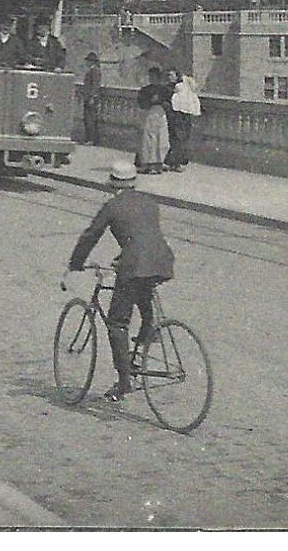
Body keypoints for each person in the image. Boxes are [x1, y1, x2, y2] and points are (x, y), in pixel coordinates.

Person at [65, 160, 176, 403]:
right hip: (162, 262)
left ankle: (125, 380)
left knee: (117, 322)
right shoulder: (149, 203)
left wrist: (74, 265)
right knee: (142, 293)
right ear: (134, 182)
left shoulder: (112, 206)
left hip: (135, 265)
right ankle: (149, 332)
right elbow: (142, 237)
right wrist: (122, 257)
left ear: (111, 184)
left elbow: (90, 236)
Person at [135, 67, 171, 174]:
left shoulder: (164, 90)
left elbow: (169, 103)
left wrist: (161, 102)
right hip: (149, 114)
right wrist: (150, 101)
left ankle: (159, 163)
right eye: (150, 76)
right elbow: (141, 103)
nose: (152, 78)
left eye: (154, 76)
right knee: (148, 139)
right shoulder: (145, 90)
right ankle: (147, 164)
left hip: (160, 115)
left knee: (161, 139)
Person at [165, 69, 202, 171]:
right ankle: (175, 162)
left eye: (171, 75)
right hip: (175, 115)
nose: (169, 78)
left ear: (177, 76)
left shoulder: (184, 86)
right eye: (168, 75)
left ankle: (175, 161)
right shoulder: (170, 87)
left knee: (181, 138)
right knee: (177, 138)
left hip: (182, 115)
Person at [81, 52, 104, 145]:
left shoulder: (94, 71)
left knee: (90, 119)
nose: (87, 63)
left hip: (91, 99)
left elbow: (95, 85)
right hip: (89, 97)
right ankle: (91, 139)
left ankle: (91, 139)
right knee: (89, 119)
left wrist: (92, 97)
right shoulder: (92, 70)